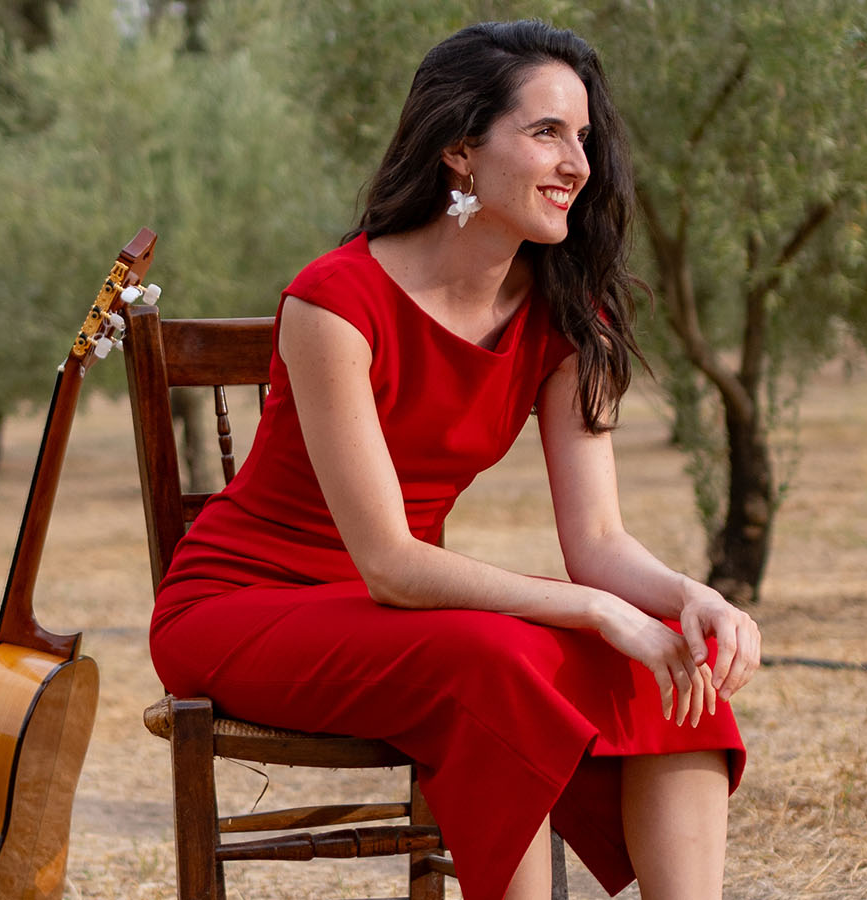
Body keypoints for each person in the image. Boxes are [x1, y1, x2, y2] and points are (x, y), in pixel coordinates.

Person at [148, 19, 761, 900]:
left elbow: (597, 540)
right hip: (247, 608)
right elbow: (392, 565)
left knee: (668, 662)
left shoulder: (563, 318)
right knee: (491, 662)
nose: (578, 165)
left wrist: (687, 599)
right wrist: (591, 611)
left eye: (583, 138)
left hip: (406, 619)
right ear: (461, 150)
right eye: (547, 132)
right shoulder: (334, 302)